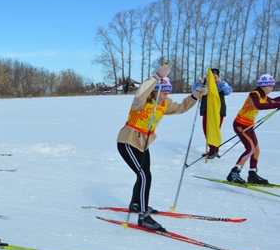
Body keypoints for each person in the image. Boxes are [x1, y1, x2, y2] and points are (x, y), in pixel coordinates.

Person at [117, 66, 207, 231]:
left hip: (144, 143)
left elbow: (181, 108)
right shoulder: (141, 101)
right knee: (145, 175)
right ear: (155, 92)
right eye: (164, 93)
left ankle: (136, 203)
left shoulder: (165, 103)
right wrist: (156, 77)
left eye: (168, 94)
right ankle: (144, 216)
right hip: (128, 141)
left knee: (144, 174)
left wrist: (195, 95)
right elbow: (141, 92)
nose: (166, 97)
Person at [226, 74, 280, 184]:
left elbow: (273, 101)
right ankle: (234, 172)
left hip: (249, 126)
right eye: (270, 86)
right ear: (264, 86)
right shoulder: (254, 94)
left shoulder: (263, 96)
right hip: (240, 125)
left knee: (256, 149)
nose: (272, 89)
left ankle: (252, 174)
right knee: (250, 148)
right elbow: (258, 106)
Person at [192, 68, 233, 159]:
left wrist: (220, 81)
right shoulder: (205, 85)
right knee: (206, 130)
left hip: (218, 111)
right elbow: (194, 91)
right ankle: (211, 148)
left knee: (214, 130)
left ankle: (215, 150)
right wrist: (201, 81)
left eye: (215, 76)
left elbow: (229, 91)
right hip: (207, 110)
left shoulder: (220, 85)